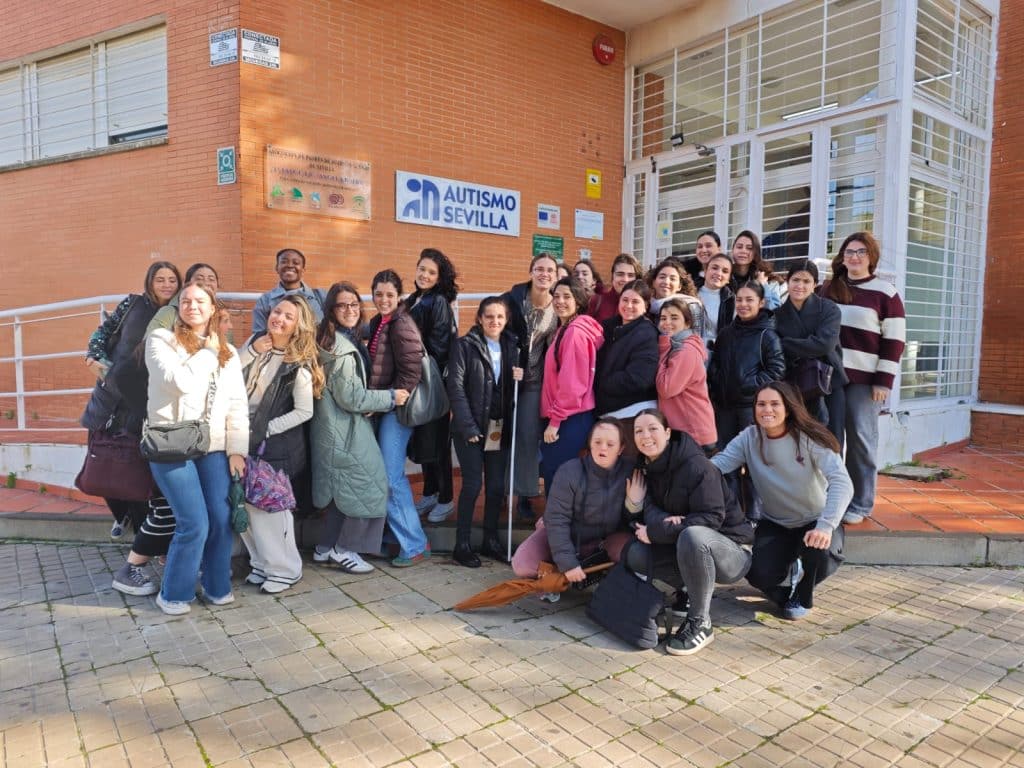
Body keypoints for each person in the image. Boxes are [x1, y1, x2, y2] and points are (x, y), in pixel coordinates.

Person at [144, 282, 248, 614]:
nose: (192, 306)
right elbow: (179, 383)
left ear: (213, 308)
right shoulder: (161, 341)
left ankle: (217, 587)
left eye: (200, 301)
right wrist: (208, 349)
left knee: (220, 519)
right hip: (172, 443)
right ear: (177, 308)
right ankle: (174, 593)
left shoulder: (228, 354)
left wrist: (237, 450)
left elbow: (237, 404)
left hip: (214, 446)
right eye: (185, 301)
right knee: (194, 522)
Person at [712, 383, 852, 620]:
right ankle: (789, 587)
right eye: (761, 404)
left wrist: (826, 525)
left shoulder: (809, 438)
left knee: (822, 557)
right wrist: (681, 465)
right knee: (759, 575)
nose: (767, 409)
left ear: (788, 408)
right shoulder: (750, 437)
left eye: (775, 404)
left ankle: (804, 592)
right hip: (777, 523)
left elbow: (842, 481)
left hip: (815, 522)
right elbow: (718, 466)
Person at [626, 409, 754, 655]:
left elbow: (711, 519)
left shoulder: (697, 465)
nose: (645, 436)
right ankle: (683, 593)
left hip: (732, 552)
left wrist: (660, 529)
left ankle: (700, 622)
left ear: (667, 432)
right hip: (687, 544)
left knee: (693, 535)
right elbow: (647, 513)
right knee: (635, 553)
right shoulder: (645, 468)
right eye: (638, 431)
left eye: (652, 428)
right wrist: (661, 520)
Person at [312, 283, 409, 574]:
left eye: (354, 304)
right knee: (370, 485)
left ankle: (325, 546)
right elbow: (351, 397)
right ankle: (346, 549)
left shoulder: (333, 340)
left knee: (344, 490)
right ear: (331, 310)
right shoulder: (341, 350)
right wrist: (391, 397)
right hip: (346, 429)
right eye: (343, 305)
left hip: (333, 429)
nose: (350, 310)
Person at [83, 261, 181, 547]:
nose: (165, 285)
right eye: (160, 279)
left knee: (134, 464)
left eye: (172, 280)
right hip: (110, 392)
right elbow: (104, 330)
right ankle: (121, 513)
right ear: (150, 282)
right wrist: (93, 355)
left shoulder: (181, 312)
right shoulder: (133, 303)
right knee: (100, 455)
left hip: (145, 399)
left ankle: (142, 531)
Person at [237, 295, 324, 593]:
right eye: (277, 312)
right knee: (247, 507)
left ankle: (286, 569)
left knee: (271, 511)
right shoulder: (254, 345)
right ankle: (262, 564)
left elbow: (304, 411)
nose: (280, 319)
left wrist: (266, 429)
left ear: (298, 325)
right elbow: (225, 376)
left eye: (289, 316)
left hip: (274, 448)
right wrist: (250, 351)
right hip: (241, 441)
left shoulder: (296, 363)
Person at [822, 231, 906, 525]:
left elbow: (894, 341)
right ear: (842, 256)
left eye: (861, 252)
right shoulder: (828, 288)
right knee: (830, 439)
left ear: (871, 257)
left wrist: (884, 381)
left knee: (861, 440)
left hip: (864, 381)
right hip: (829, 378)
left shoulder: (886, 293)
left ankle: (860, 502)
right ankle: (833, 498)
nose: (854, 257)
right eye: (849, 251)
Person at [446, 296, 523, 567]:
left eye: (500, 317)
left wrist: (520, 379)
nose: (495, 321)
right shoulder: (464, 346)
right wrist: (467, 425)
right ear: (479, 318)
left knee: (496, 486)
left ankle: (490, 541)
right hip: (470, 428)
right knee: (472, 484)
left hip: (497, 427)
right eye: (489, 316)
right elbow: (454, 387)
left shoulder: (512, 346)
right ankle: (462, 544)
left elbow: (515, 389)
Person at [512, 418, 632, 579]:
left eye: (610, 444)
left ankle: (606, 576)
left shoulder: (630, 472)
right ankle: (554, 573)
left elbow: (634, 521)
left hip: (604, 541)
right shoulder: (570, 471)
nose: (602, 448)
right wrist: (568, 564)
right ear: (590, 443)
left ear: (620, 448)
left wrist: (635, 503)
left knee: (634, 552)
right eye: (597, 442)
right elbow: (557, 519)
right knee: (523, 565)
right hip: (565, 535)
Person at [366, 269, 430, 566]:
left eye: (390, 294)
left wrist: (390, 398)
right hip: (384, 407)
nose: (383, 299)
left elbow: (411, 369)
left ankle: (414, 544)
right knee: (385, 476)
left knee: (391, 477)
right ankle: (396, 536)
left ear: (399, 296)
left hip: (397, 410)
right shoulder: (379, 321)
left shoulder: (401, 322)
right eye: (378, 294)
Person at [709, 281, 786, 520]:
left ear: (761, 303)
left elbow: (777, 370)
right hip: (724, 408)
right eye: (740, 300)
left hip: (750, 409)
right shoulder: (727, 333)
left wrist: (748, 386)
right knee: (726, 461)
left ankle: (756, 515)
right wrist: (717, 383)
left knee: (754, 463)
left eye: (749, 300)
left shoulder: (767, 333)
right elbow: (715, 365)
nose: (743, 305)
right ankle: (732, 514)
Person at [502, 253, 560, 518]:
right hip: (508, 379)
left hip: (536, 383)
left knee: (526, 439)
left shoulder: (558, 306)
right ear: (531, 271)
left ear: (557, 276)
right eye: (539, 269)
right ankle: (503, 489)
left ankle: (524, 493)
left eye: (550, 270)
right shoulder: (513, 299)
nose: (544, 274)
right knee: (503, 435)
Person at [405, 248, 459, 524]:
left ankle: (446, 498)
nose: (424, 275)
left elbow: (439, 347)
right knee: (422, 438)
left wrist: (417, 372)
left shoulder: (437, 302)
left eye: (431, 272)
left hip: (431, 383)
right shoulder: (415, 299)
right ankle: (429, 491)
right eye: (421, 269)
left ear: (439, 278)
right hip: (415, 382)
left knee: (437, 442)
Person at [540, 277, 605, 494]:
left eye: (567, 296)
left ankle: (555, 527)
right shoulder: (565, 328)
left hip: (569, 418)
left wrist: (556, 421)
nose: (559, 301)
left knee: (558, 478)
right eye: (556, 296)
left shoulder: (575, 333)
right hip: (569, 416)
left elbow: (572, 383)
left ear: (578, 300)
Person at [774, 260, 846, 433]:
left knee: (832, 440)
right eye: (796, 280)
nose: (800, 285)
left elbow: (825, 344)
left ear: (814, 284)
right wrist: (808, 344)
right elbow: (774, 351)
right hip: (795, 386)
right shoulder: (777, 315)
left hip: (829, 383)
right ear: (787, 281)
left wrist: (784, 343)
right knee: (798, 440)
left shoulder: (829, 309)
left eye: (806, 281)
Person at [594, 279, 659, 456]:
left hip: (632, 416)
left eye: (635, 301)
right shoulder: (607, 328)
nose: (628, 305)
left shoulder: (646, 333)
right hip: (608, 414)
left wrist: (601, 383)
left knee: (629, 472)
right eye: (625, 300)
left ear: (646, 306)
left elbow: (640, 378)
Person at [655, 298, 716, 453]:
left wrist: (663, 348)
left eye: (674, 318)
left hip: (693, 433)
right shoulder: (677, 347)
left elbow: (666, 388)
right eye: (663, 318)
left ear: (687, 323)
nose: (667, 322)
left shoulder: (686, 350)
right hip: (687, 431)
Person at [251, 248, 327, 335]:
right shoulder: (265, 301)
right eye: (284, 262)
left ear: (303, 270)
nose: (290, 265)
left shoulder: (321, 296)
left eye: (296, 263)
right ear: (277, 268)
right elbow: (259, 335)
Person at [147, 263, 220, 335]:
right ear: (186, 284)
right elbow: (150, 342)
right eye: (199, 279)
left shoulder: (221, 316)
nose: (206, 283)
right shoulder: (169, 313)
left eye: (211, 279)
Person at [646, 257, 706, 340]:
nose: (666, 282)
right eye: (662, 277)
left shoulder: (690, 306)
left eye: (672, 279)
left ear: (679, 286)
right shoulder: (643, 305)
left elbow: (695, 340)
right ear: (653, 282)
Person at [697, 254, 736, 353]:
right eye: (714, 268)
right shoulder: (689, 293)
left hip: (714, 356)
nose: (719, 273)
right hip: (686, 353)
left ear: (728, 279)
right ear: (705, 271)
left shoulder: (731, 302)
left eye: (725, 271)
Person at [587, 253, 642, 323]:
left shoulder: (642, 305)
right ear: (613, 276)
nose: (625, 279)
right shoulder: (596, 301)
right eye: (620, 274)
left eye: (630, 275)